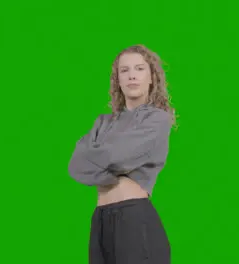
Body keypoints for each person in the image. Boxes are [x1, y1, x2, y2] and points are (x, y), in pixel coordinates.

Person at [68, 44, 176, 264]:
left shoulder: (156, 119)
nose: (132, 76)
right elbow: (76, 166)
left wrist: (98, 160)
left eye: (139, 69)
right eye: (124, 71)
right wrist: (115, 173)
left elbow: (119, 156)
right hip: (100, 221)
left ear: (151, 77)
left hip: (134, 219)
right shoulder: (103, 122)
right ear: (117, 80)